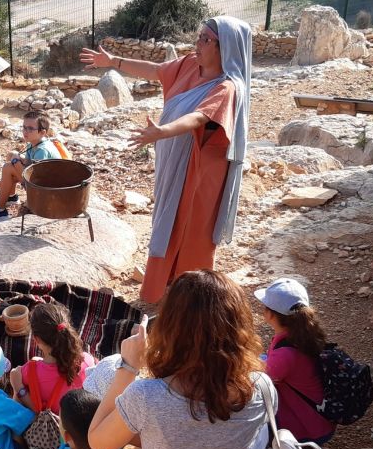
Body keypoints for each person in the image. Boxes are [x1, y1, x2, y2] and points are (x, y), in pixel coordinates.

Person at [87, 270, 272, 449]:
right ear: (238, 326)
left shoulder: (147, 396)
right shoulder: (262, 387)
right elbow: (205, 434)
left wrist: (128, 367)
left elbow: (97, 440)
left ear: (171, 328)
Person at [80, 17, 252, 304]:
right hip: (174, 161)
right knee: (168, 220)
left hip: (199, 170)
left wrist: (162, 132)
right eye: (199, 37)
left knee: (192, 227)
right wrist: (113, 61)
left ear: (225, 49)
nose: (197, 43)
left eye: (205, 40)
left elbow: (199, 117)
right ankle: (167, 283)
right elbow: (157, 71)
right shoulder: (189, 65)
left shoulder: (227, 87)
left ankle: (193, 294)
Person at [254, 278, 335, 444]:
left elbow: (257, 382)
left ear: (270, 314)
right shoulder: (303, 334)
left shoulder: (285, 355)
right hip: (320, 420)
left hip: (307, 430)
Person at [10, 303, 94, 416]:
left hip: (48, 429)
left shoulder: (27, 372)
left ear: (37, 339)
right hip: (74, 424)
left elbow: (38, 410)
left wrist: (18, 388)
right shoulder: (86, 361)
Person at [0, 111, 62, 221]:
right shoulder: (34, 142)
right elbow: (29, 164)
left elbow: (35, 178)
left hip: (46, 191)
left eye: (30, 129)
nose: (25, 131)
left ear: (42, 132)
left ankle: (0, 210)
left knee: (9, 166)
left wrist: (16, 163)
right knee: (12, 155)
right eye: (24, 127)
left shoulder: (42, 150)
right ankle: (11, 196)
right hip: (39, 181)